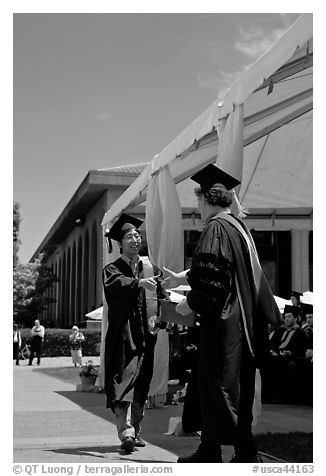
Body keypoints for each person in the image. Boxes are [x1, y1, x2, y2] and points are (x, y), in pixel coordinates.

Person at [162, 164, 282, 463]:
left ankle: (241, 453)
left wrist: (190, 303)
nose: (197, 207)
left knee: (220, 388)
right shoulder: (238, 228)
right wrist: (184, 278)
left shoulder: (215, 228)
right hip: (242, 326)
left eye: (198, 201)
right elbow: (221, 270)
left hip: (224, 327)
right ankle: (214, 450)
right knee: (225, 388)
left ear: (206, 198)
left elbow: (213, 281)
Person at [102, 213, 167, 454]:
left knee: (142, 383)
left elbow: (161, 296)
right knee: (124, 382)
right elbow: (117, 286)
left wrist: (165, 317)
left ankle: (135, 430)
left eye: (137, 235)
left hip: (146, 335)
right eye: (129, 236)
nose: (135, 239)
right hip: (124, 336)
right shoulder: (111, 269)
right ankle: (126, 432)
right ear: (120, 242)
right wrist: (138, 283)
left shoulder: (149, 267)